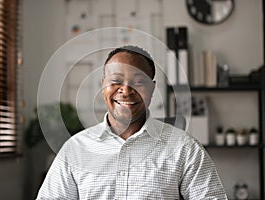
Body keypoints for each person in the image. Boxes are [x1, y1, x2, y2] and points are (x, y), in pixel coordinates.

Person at [36, 45, 227, 199]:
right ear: (103, 85)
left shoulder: (185, 149)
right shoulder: (75, 150)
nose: (126, 91)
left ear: (152, 89)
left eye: (138, 81)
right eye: (116, 80)